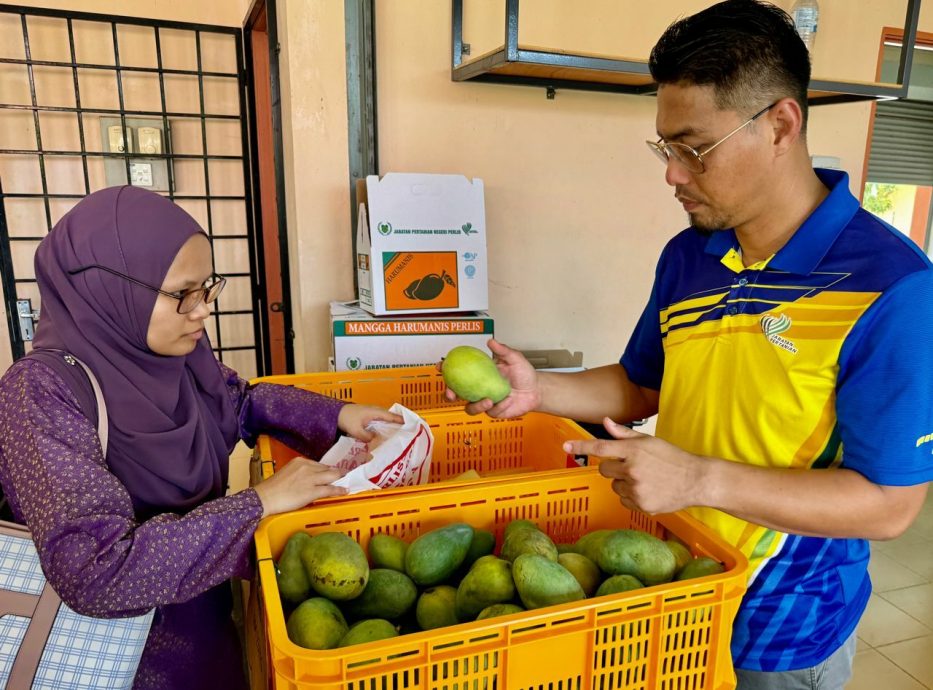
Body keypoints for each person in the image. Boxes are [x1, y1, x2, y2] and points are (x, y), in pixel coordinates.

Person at [449, 1, 933, 688]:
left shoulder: (892, 286)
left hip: (781, 625)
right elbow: (642, 385)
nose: (673, 174)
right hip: (672, 588)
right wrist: (539, 390)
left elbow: (888, 505)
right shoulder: (689, 256)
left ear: (780, 125)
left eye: (693, 148)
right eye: (665, 149)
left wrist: (698, 480)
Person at [0, 185, 402, 689]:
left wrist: (340, 414)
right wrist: (257, 504)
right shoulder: (38, 394)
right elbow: (95, 572)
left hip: (206, 634)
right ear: (109, 290)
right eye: (182, 295)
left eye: (208, 288)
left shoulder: (177, 358)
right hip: (120, 664)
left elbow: (239, 402)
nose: (203, 311)